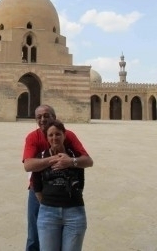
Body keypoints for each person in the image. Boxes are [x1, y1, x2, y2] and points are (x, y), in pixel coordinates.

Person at [22, 105, 93, 251]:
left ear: (54, 117)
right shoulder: (33, 137)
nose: (43, 119)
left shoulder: (69, 136)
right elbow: (29, 166)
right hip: (38, 190)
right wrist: (54, 159)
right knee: (34, 236)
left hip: (67, 198)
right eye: (39, 117)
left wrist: (70, 162)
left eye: (47, 116)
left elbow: (87, 161)